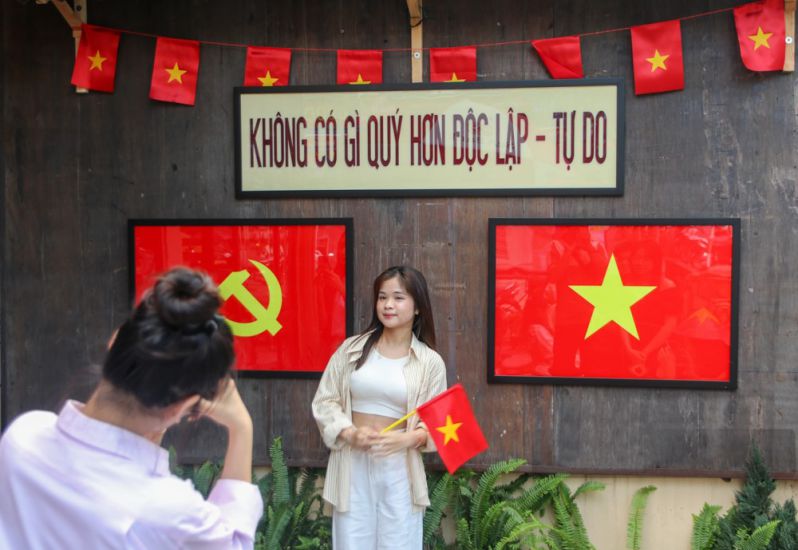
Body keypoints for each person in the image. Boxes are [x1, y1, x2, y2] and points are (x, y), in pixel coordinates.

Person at [0, 267, 263, 549]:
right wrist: (241, 427)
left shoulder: (24, 436)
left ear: (114, 341)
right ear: (184, 405)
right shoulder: (168, 510)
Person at [312, 265, 447, 550]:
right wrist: (350, 433)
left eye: (398, 297)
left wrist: (405, 439)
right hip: (352, 464)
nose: (388, 305)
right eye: (382, 297)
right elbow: (325, 401)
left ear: (417, 307)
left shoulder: (430, 362)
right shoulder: (351, 350)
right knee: (351, 543)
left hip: (400, 470)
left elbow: (438, 422)